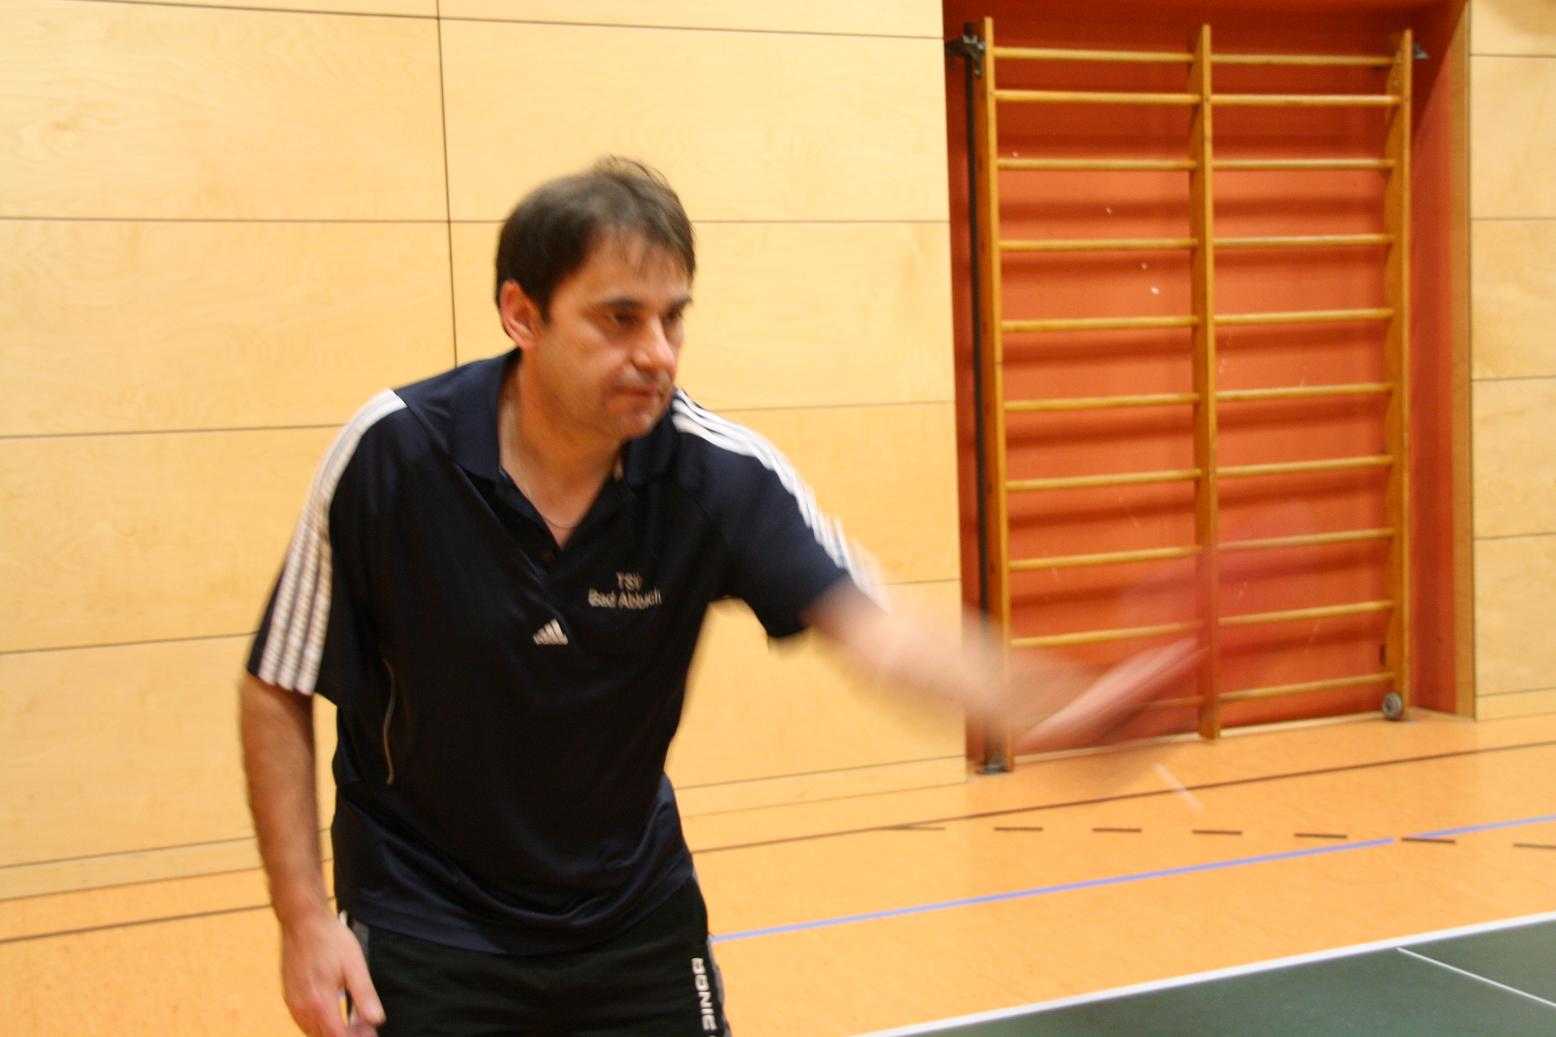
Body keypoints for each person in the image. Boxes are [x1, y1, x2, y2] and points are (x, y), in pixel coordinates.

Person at [239, 157, 1196, 1037]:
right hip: (426, 913)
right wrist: (303, 918)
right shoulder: (394, 455)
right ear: (522, 315)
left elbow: (880, 632)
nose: (658, 352)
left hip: (630, 914)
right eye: (619, 319)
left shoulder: (716, 476)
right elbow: (277, 681)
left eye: (674, 318)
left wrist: (1055, 703)